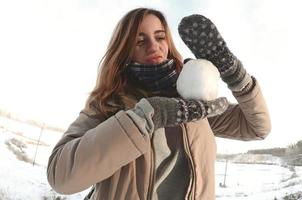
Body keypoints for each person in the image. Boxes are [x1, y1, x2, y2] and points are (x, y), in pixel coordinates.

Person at [47, 7, 271, 200]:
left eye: (160, 36)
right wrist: (144, 117)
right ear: (124, 50)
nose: (153, 46)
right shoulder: (108, 104)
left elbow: (256, 127)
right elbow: (60, 177)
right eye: (140, 41)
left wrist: (236, 76)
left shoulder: (193, 103)